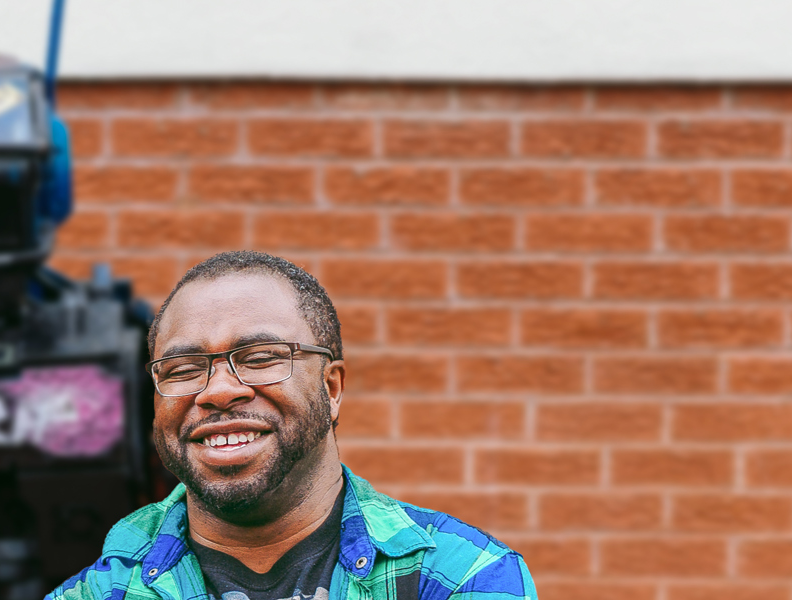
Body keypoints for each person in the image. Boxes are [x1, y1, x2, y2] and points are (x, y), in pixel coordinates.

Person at [48, 251, 536, 600]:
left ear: (332, 388)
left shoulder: (459, 576)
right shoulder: (97, 593)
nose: (217, 391)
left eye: (260, 358)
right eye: (183, 369)